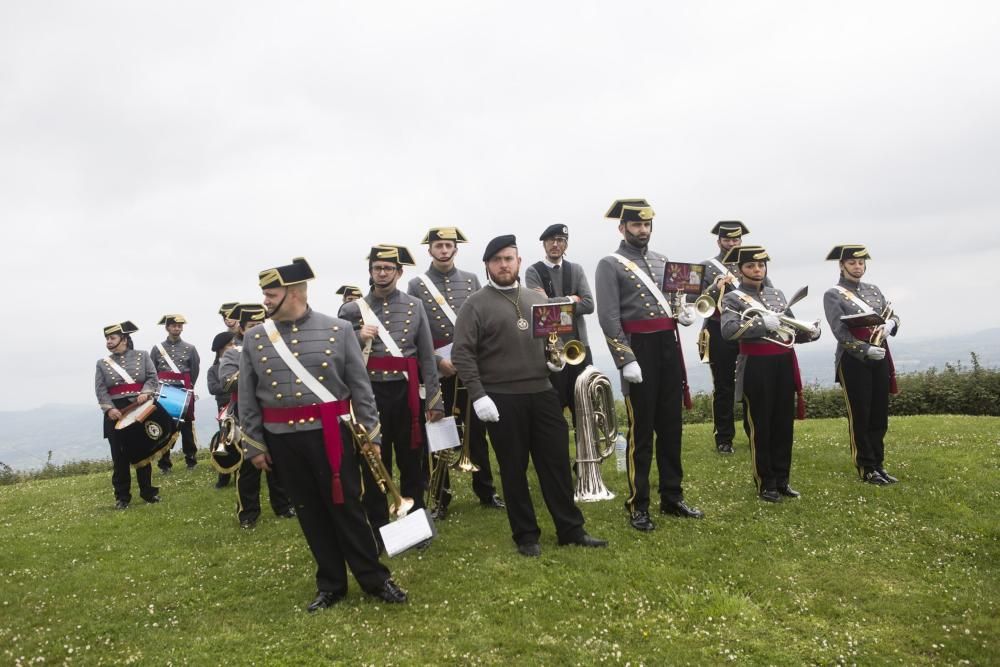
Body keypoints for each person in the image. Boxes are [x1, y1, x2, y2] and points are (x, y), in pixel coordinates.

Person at [239, 257, 406, 609]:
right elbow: (247, 397)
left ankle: (375, 578)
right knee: (309, 512)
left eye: (271, 294)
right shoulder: (255, 339)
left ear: (295, 292)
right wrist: (254, 444)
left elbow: (360, 388)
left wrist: (372, 436)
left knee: (348, 508)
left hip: (332, 433)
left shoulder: (338, 329)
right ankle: (331, 584)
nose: (265, 301)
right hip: (282, 439)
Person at [452, 235, 607, 557]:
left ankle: (571, 529)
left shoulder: (538, 298)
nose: (504, 265)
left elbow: (558, 342)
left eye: (509, 259)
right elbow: (462, 354)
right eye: (497, 260)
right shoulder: (474, 304)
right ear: (487, 266)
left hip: (543, 392)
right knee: (513, 468)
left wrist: (556, 360)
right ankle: (525, 535)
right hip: (501, 398)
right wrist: (479, 396)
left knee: (557, 465)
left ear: (519, 262)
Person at [595, 199, 702, 532]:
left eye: (647, 225)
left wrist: (684, 314)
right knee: (642, 433)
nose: (642, 230)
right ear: (622, 228)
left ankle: (672, 496)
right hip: (638, 350)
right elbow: (608, 318)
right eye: (636, 225)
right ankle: (638, 504)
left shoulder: (663, 260)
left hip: (668, 347)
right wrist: (625, 358)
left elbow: (673, 303)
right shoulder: (609, 264)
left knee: (671, 429)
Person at [340, 245, 445, 533]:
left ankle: (417, 524)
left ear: (399, 272)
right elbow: (338, 355)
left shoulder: (414, 305)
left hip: (406, 392)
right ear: (371, 272)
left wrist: (434, 400)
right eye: (377, 268)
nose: (382, 273)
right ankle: (378, 525)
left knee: (412, 459)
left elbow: (425, 355)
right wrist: (357, 336)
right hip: (368, 394)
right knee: (374, 460)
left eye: (388, 268)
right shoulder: (351, 310)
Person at [406, 227, 504, 520]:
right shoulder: (417, 284)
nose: (444, 250)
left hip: (468, 365)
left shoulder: (471, 280)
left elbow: (479, 321)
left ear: (455, 249)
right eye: (439, 246)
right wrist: (436, 361)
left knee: (477, 433)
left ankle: (485, 489)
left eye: (449, 245)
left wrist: (467, 359)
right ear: (430, 251)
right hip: (437, 370)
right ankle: (440, 497)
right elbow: (416, 330)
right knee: (439, 432)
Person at [720, 245, 821, 502]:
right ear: (739, 270)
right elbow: (729, 331)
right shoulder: (732, 298)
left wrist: (811, 332)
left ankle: (783, 480)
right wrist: (760, 323)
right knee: (761, 425)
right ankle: (766, 483)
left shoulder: (777, 294)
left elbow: (791, 330)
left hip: (783, 363)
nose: (757, 269)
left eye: (761, 265)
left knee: (783, 425)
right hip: (755, 365)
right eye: (751, 266)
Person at [823, 244, 901, 485]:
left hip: (880, 354)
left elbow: (892, 315)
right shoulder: (833, 294)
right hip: (854, 359)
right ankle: (866, 467)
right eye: (852, 263)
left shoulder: (873, 290)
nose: (858, 267)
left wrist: (891, 325)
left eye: (861, 263)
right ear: (842, 265)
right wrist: (864, 349)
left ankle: (879, 463)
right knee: (861, 415)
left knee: (879, 414)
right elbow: (840, 331)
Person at [219, 303, 295, 529]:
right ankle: (248, 513)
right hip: (246, 415)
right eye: (252, 326)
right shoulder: (233, 353)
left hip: (276, 411)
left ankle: (283, 506)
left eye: (261, 324)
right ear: (242, 329)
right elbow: (226, 382)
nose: (258, 329)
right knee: (248, 468)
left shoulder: (278, 348)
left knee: (278, 464)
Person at [524, 223, 595, 426]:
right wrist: (572, 299)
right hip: (551, 351)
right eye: (551, 241)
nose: (556, 244)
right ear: (544, 244)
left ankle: (585, 456)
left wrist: (554, 302)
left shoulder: (576, 269)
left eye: (561, 241)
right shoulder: (533, 271)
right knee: (553, 410)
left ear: (566, 244)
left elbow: (589, 305)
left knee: (584, 408)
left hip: (580, 346)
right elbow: (540, 308)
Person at [697, 220, 752, 455]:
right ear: (719, 241)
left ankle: (755, 432)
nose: (731, 243)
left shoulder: (750, 264)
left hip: (748, 330)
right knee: (723, 386)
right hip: (718, 329)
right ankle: (724, 438)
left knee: (752, 384)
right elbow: (695, 300)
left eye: (735, 240)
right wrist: (714, 287)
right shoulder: (706, 267)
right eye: (727, 240)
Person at [94, 321, 162, 509]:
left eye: (112, 338)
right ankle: (122, 497)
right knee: (119, 457)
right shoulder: (102, 363)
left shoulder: (143, 355)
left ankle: (148, 492)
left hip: (139, 408)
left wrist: (146, 392)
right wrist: (109, 409)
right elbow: (101, 390)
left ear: (123, 339)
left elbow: (152, 378)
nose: (109, 341)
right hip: (117, 412)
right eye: (107, 338)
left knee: (143, 453)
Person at [151, 314, 201, 471]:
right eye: (174, 326)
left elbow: (194, 370)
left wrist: (187, 386)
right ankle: (164, 462)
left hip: (183, 390)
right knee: (164, 426)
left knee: (186, 426)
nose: (177, 328)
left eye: (179, 326)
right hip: (163, 391)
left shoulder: (190, 348)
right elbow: (152, 371)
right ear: (167, 328)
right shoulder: (157, 349)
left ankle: (191, 459)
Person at [207, 330, 236, 488]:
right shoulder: (213, 370)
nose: (233, 347)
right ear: (220, 349)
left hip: (241, 404)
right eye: (229, 345)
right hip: (224, 407)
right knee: (225, 442)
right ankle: (223, 477)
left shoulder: (240, 362)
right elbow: (213, 388)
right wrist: (231, 385)